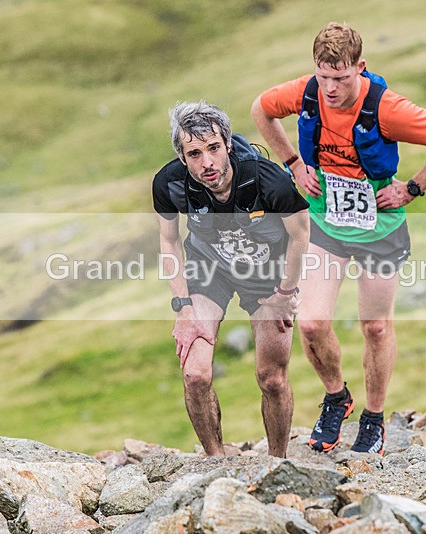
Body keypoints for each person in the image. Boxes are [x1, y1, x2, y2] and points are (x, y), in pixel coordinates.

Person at [251, 22, 426, 455]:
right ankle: (336, 397)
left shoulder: (387, 109)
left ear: (360, 68)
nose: (330, 88)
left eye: (341, 78)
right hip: (325, 224)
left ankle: (373, 418)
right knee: (311, 323)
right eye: (324, 76)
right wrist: (293, 163)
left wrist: (412, 188)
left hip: (379, 231)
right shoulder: (307, 92)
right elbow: (261, 109)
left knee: (376, 327)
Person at [153, 101, 310, 457]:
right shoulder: (169, 184)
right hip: (210, 271)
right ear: (182, 157)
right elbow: (169, 240)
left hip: (268, 276)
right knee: (195, 374)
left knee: (271, 378)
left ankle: (277, 462)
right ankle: (215, 460)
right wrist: (183, 307)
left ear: (226, 143)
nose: (206, 162)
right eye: (194, 153)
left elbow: (301, 233)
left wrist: (286, 292)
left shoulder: (267, 178)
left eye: (213, 148)